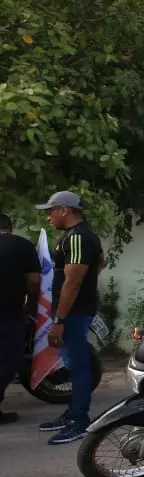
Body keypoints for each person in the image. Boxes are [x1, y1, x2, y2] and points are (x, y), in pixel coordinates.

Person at [36, 191, 104, 445]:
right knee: (75, 364)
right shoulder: (79, 236)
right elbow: (100, 262)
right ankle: (73, 413)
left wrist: (59, 320)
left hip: (73, 312)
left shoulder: (78, 238)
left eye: (51, 211)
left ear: (65, 210)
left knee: (78, 366)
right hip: (75, 310)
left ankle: (79, 419)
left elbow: (72, 282)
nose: (48, 216)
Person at [0, 212, 41, 425]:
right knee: (9, 361)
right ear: (10, 227)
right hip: (8, 312)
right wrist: (32, 305)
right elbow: (34, 280)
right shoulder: (21, 246)